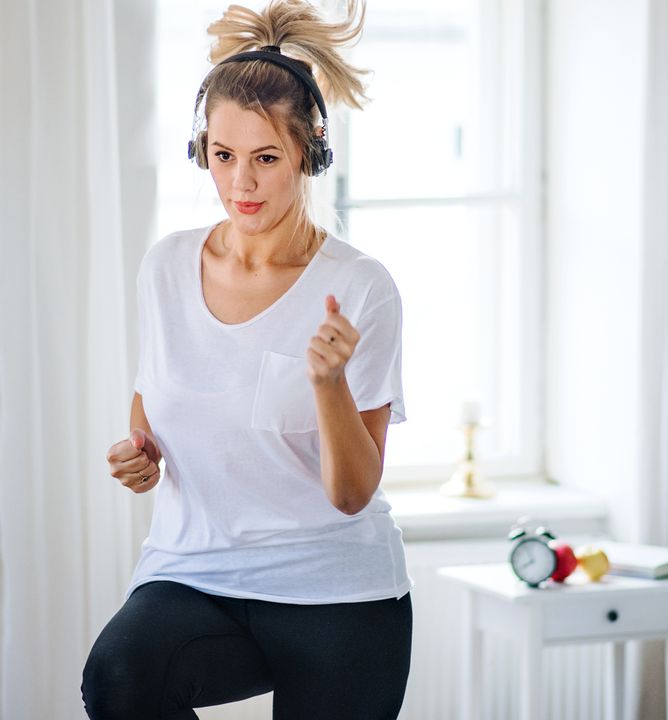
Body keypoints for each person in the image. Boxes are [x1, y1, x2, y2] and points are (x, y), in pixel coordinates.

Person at [81, 1, 413, 718]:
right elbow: (156, 401)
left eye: (266, 158)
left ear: (309, 154)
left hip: (337, 589)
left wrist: (325, 382)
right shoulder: (166, 267)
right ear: (201, 149)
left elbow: (353, 493)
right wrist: (141, 455)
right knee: (118, 680)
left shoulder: (359, 287)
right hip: (195, 574)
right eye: (223, 156)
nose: (242, 183)